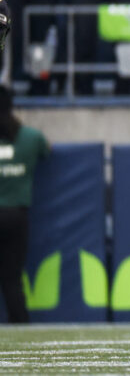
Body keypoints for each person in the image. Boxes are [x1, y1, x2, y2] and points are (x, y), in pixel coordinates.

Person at [0, 83, 49, 323]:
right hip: (15, 215)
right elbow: (47, 149)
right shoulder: (30, 137)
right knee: (11, 279)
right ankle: (21, 327)